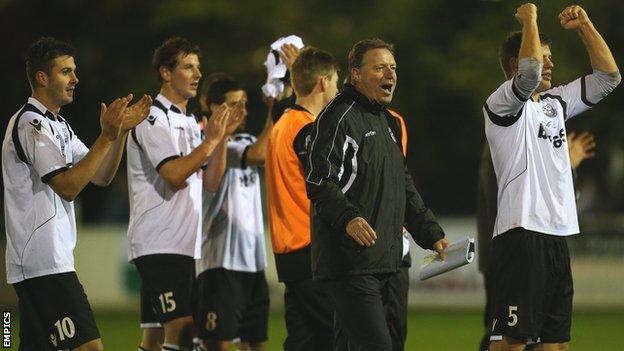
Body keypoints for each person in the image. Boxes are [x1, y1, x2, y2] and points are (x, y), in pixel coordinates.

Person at [483, 4, 620, 351]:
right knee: (512, 341)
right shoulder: (501, 104)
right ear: (516, 64)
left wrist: (585, 26)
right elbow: (527, 77)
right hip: (522, 232)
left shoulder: (555, 103)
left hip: (556, 232)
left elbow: (609, 77)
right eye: (544, 56)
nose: (551, 64)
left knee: (556, 343)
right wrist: (530, 20)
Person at [2, 37, 151, 351]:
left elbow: (100, 175)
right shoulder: (32, 125)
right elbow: (68, 187)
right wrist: (106, 136)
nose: (75, 79)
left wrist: (117, 134)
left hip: (46, 260)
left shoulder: (59, 125)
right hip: (42, 262)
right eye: (66, 72)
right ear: (43, 78)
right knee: (88, 347)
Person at [304, 38, 449, 350]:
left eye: (393, 67)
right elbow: (318, 179)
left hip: (382, 261)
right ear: (356, 74)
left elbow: (403, 185)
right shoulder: (338, 116)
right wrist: (349, 217)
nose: (390, 74)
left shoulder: (387, 122)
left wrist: (430, 232)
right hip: (350, 263)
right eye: (380, 67)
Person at [126, 37, 230, 351]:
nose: (197, 74)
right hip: (159, 242)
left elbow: (211, 182)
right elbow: (173, 174)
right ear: (166, 73)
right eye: (187, 66)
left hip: (183, 245)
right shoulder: (152, 118)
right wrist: (209, 143)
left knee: (155, 338)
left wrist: (219, 138)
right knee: (185, 332)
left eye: (198, 67)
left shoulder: (188, 121)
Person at [477, 132, 595, 351]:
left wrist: (564, 166)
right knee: (510, 340)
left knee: (553, 342)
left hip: (541, 249)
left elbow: (560, 201)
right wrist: (564, 167)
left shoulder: (541, 131)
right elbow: (515, 200)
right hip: (516, 253)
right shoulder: (510, 130)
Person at [265, 46, 339, 351]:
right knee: (346, 335)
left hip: (288, 252)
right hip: (312, 249)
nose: (337, 87)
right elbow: (329, 188)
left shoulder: (282, 125)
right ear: (322, 82)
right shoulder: (308, 130)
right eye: (336, 80)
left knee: (304, 341)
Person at [193, 73, 272, 351]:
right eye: (235, 104)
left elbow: (269, 149)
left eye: (246, 103)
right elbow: (260, 154)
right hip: (220, 261)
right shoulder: (205, 143)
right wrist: (276, 106)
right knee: (218, 344)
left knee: (255, 343)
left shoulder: (247, 138)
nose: (244, 110)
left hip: (253, 260)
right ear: (215, 108)